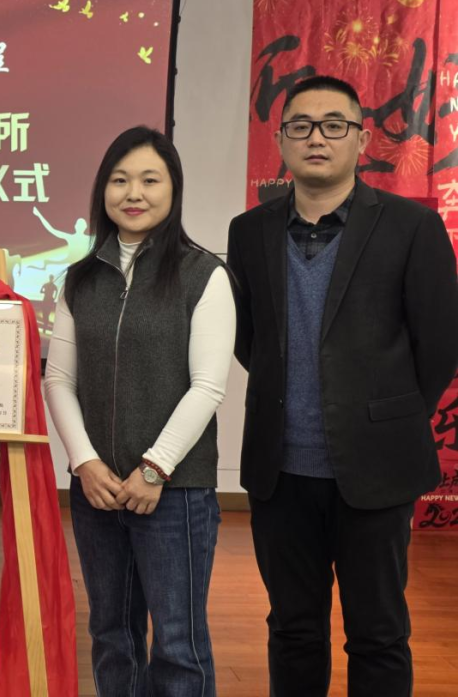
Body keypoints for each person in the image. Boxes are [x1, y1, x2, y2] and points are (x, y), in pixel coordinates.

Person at [227, 74, 458, 696]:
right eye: (300, 126)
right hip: (280, 470)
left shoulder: (412, 227)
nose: (317, 138)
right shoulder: (248, 232)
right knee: (293, 629)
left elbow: (438, 346)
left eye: (334, 125)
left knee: (378, 633)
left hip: (376, 467)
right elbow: (248, 337)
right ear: (281, 140)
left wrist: (383, 416)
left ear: (361, 139)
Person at [44, 126, 235, 697]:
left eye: (150, 180)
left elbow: (208, 387)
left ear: (173, 188)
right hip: (98, 490)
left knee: (178, 645)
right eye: (119, 180)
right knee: (112, 636)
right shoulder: (80, 280)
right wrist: (84, 463)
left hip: (174, 493)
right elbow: (59, 380)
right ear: (102, 190)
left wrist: (155, 468)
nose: (134, 193)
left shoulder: (204, 274)